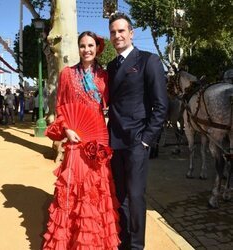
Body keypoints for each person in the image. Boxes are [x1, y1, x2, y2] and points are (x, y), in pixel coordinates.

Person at [42, 31, 120, 250]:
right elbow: (60, 107)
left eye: (91, 45)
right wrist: (66, 130)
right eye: (83, 45)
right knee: (74, 188)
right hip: (75, 138)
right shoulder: (67, 74)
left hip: (97, 139)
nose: (87, 49)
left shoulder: (104, 76)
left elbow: (111, 106)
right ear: (78, 48)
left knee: (97, 189)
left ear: (98, 48)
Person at [107, 12, 168, 250]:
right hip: (114, 140)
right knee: (120, 196)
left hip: (136, 141)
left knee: (135, 197)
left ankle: (136, 246)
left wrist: (146, 140)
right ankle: (123, 243)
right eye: (113, 32)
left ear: (131, 33)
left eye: (121, 31)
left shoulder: (148, 60)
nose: (117, 35)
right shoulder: (111, 66)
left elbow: (161, 105)